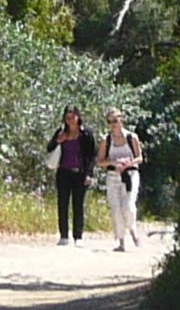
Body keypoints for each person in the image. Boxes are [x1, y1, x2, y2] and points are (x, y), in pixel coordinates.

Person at [46, 108, 98, 243]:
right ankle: (63, 235)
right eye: (67, 118)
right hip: (63, 172)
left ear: (78, 117)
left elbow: (92, 156)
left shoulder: (86, 133)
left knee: (78, 205)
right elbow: (49, 148)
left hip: (80, 174)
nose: (70, 121)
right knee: (62, 204)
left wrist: (89, 174)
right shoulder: (61, 132)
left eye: (72, 117)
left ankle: (78, 236)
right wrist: (58, 140)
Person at [102, 110, 145, 252]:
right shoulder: (106, 139)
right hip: (113, 176)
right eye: (109, 122)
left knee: (128, 206)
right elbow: (99, 161)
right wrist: (114, 162)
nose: (112, 125)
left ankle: (133, 230)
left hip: (130, 175)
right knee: (116, 209)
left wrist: (128, 163)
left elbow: (140, 158)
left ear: (121, 120)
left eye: (115, 121)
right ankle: (121, 241)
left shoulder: (132, 137)